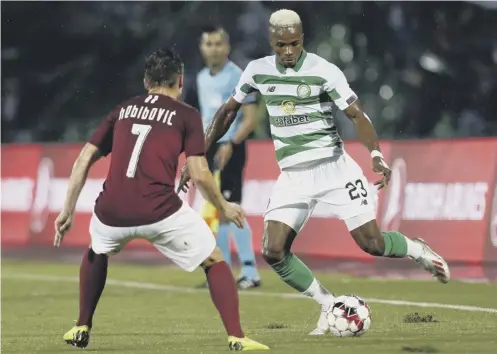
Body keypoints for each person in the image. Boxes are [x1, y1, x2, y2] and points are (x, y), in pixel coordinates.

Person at [178, 9, 451, 336]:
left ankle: (417, 249)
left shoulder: (324, 71)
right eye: (282, 45)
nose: (289, 51)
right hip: (293, 177)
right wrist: (197, 154)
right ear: (272, 42)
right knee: (273, 251)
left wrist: (375, 153)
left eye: (294, 43)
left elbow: (356, 114)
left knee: (373, 243)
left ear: (302, 38)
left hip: (334, 169)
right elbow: (226, 113)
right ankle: (327, 304)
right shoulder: (257, 71)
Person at [54, 49, 269, 351]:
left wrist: (67, 211)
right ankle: (236, 336)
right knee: (214, 259)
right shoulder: (187, 115)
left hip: (110, 212)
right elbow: (200, 172)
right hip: (159, 211)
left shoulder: (122, 109)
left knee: (97, 249)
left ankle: (80, 326)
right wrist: (223, 206)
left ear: (146, 81)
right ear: (180, 81)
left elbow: (84, 158)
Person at [196, 25, 261, 290]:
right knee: (219, 209)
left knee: (232, 206)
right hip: (210, 147)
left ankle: (250, 271)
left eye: (218, 44)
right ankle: (221, 272)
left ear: (228, 47)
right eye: (208, 44)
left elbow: (250, 119)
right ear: (202, 48)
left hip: (231, 147)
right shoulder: (200, 78)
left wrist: (231, 143)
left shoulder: (239, 76)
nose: (213, 49)